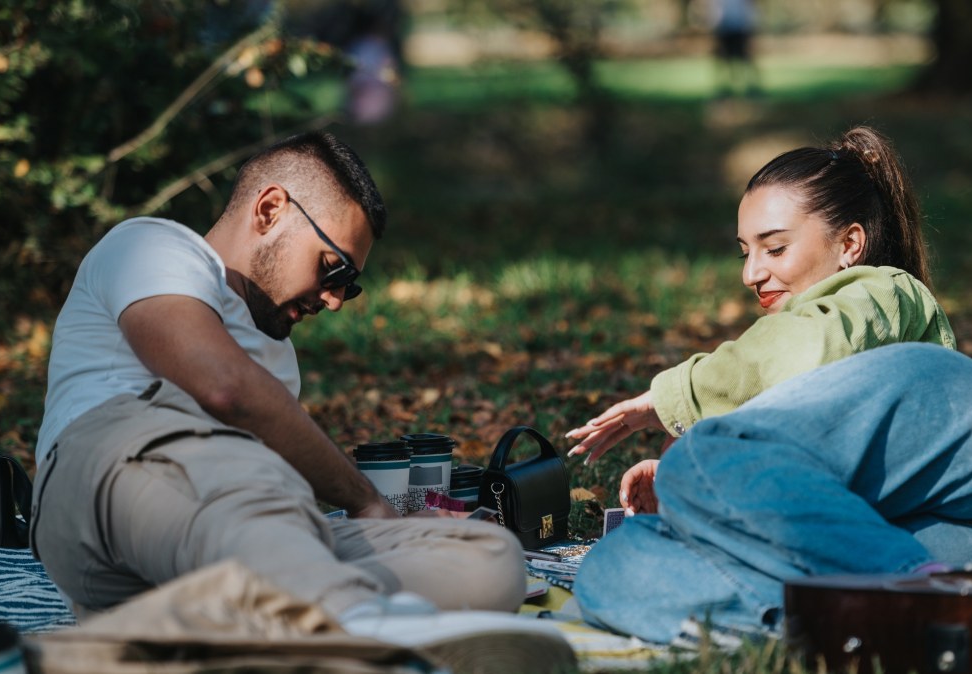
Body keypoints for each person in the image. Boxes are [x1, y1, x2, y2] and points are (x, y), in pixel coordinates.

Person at [30, 131, 574, 671]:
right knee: (231, 468)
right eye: (333, 268)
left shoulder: (276, 365)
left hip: (215, 538)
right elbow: (222, 388)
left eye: (351, 286)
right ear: (270, 210)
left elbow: (257, 508)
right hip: (105, 475)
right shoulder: (152, 246)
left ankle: (157, 649)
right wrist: (364, 501)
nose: (336, 300)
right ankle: (364, 632)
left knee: (487, 560)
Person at [563, 127, 972, 643]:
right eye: (744, 252)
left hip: (961, 438)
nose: (751, 273)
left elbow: (806, 346)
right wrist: (706, 500)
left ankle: (917, 601)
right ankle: (878, 625)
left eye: (775, 248)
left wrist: (674, 406)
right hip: (902, 543)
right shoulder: (786, 369)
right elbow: (790, 456)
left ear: (851, 244)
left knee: (700, 456)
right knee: (613, 565)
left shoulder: (881, 289)